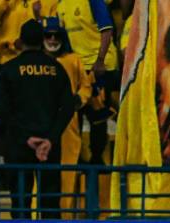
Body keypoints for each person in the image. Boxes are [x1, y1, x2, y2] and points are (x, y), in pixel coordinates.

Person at [0, 20, 76, 219]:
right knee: (50, 205)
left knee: (20, 203)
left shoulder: (9, 70)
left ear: (20, 41)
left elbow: (4, 112)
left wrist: (26, 139)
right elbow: (67, 107)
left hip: (19, 146)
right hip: (49, 148)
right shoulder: (56, 69)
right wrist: (50, 139)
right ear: (42, 40)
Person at [57, 0, 118, 164]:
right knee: (75, 111)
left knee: (97, 114)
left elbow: (107, 30)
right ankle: (80, 160)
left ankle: (97, 159)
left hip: (98, 65)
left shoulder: (94, 1)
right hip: (78, 67)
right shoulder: (61, 5)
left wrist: (100, 60)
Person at [42, 17, 91, 213]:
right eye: (48, 35)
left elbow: (85, 86)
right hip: (42, 121)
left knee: (67, 172)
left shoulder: (73, 60)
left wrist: (79, 99)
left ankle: (65, 222)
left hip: (69, 124)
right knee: (41, 174)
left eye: (56, 36)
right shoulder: (37, 61)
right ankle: (38, 222)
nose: (53, 40)